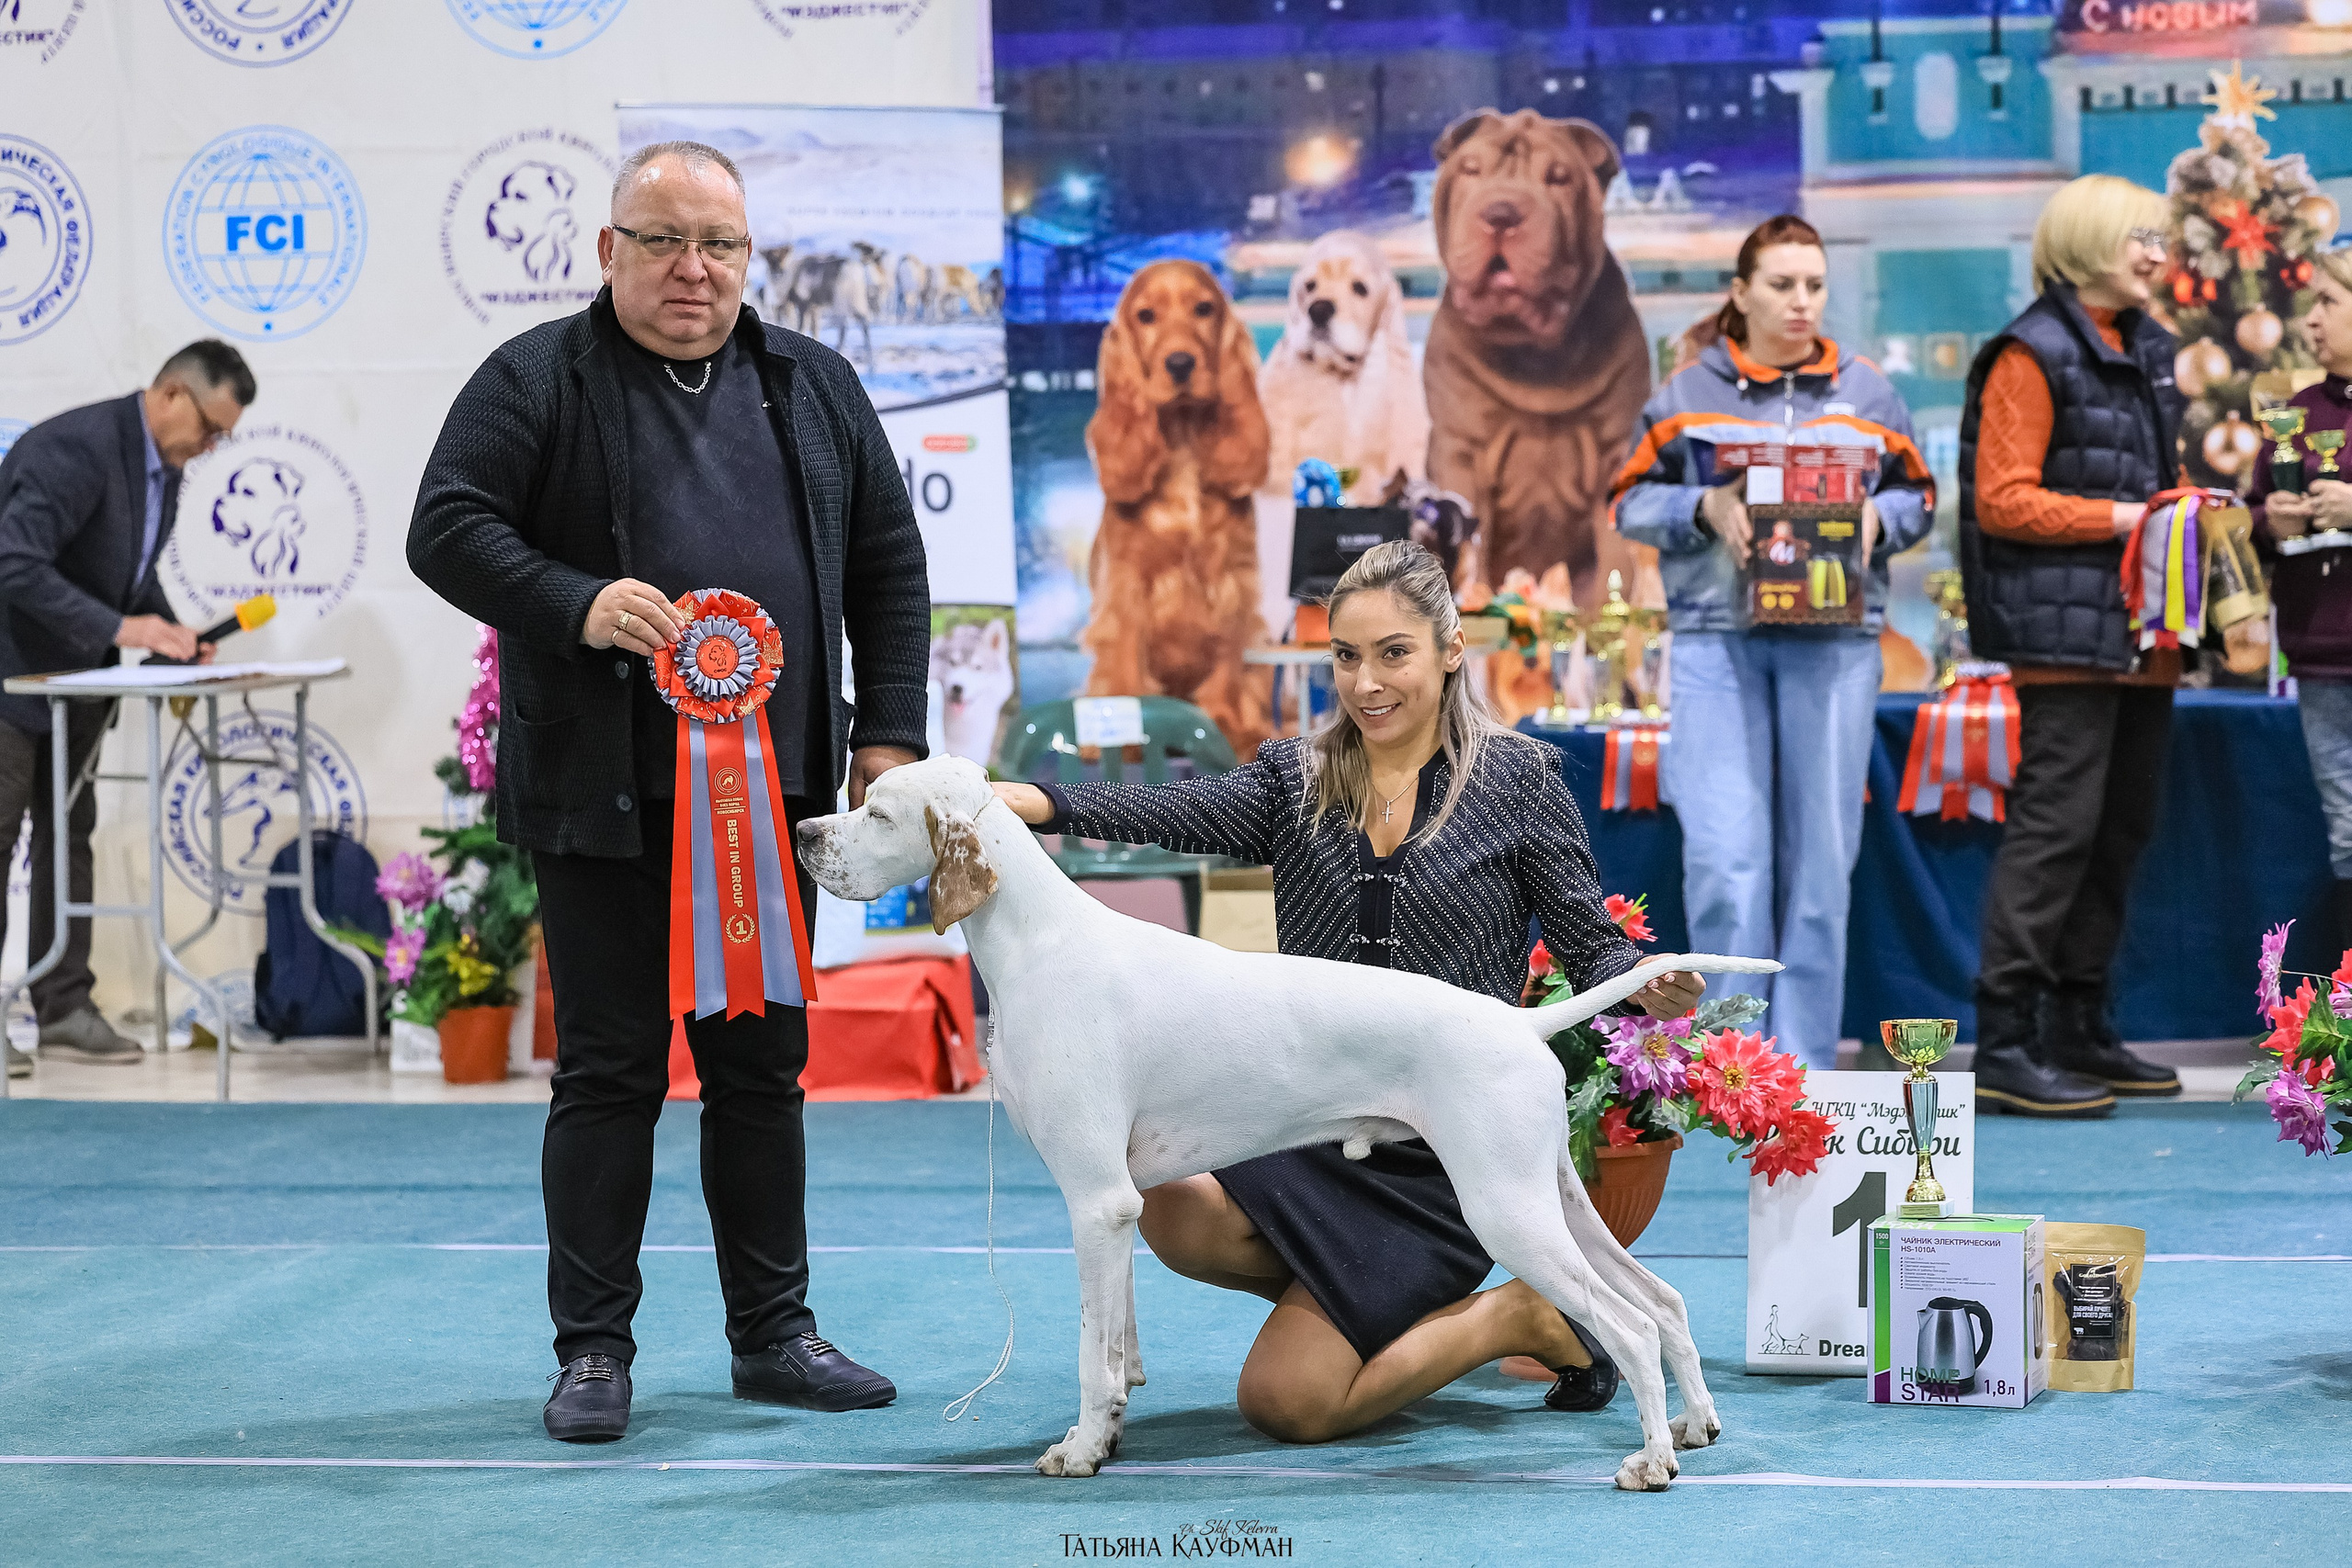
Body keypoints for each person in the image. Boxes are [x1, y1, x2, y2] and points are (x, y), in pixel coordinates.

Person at [409, 140, 930, 1442]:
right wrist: (574, 603)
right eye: (661, 240)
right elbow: (448, 524)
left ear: (750, 256)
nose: (693, 269)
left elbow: (888, 561)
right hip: (600, 800)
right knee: (609, 1073)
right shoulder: (536, 376)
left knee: (763, 1072)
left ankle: (775, 1333)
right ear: (607, 251)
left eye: (720, 245)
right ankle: (593, 1350)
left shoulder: (814, 383)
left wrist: (892, 738)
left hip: (779, 797)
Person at [990, 541, 1704, 1443]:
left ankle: (1512, 1317)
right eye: (1346, 656)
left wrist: (1639, 988)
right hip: (1303, 1131)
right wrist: (1046, 803)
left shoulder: (1521, 781)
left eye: (1393, 652)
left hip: (1444, 1151)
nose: (1366, 682)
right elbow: (1178, 810)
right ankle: (1359, 1308)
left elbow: (1587, 945)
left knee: (1287, 1404)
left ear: (1450, 650)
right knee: (1169, 1203)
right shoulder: (1294, 777)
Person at [1612, 215, 1934, 1069]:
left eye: (1815, 285)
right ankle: (1729, 1067)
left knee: (1825, 867)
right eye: (1783, 284)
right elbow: (1628, 501)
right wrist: (1702, 507)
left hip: (1837, 642)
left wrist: (1878, 515)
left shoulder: (1868, 394)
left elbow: (1921, 498)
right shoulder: (1685, 394)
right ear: (1740, 291)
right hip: (1718, 642)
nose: (1801, 302)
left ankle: (1803, 1070)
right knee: (1726, 863)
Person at [1955, 173, 2187, 1114]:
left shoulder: (2145, 347)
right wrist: (2131, 516)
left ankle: (2078, 1026)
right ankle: (2005, 1040)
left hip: (2138, 635)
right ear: (2089, 239)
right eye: (2141, 238)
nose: (2156, 255)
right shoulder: (2031, 350)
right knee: (2055, 833)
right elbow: (2001, 499)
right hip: (2063, 639)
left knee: (2118, 830)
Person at [0, 341, 250, 1080]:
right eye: (208, 428)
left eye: (221, 438)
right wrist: (121, 630)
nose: (208, 448)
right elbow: (14, 562)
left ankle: (64, 1004)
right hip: (12, 679)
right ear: (171, 393)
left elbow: (122, 573)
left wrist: (170, 631)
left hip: (76, 683)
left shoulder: (160, 465)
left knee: (68, 832)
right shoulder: (77, 448)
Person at [2250, 245, 2352, 948]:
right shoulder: (2293, 415)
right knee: (2348, 829)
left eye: (2328, 302)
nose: (2310, 318)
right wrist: (2269, 521)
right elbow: (2253, 514)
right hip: (2322, 654)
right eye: (2311, 303)